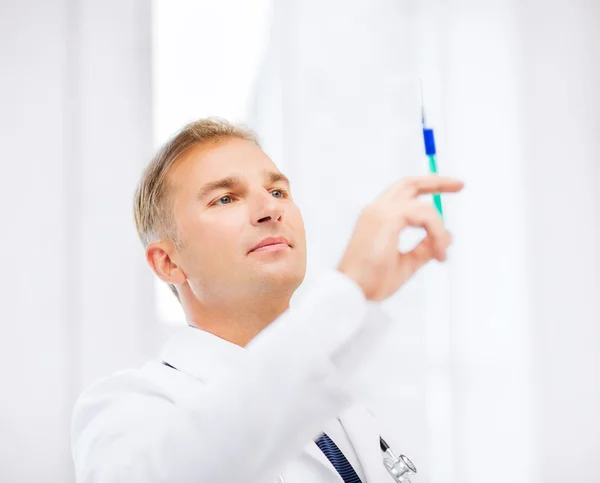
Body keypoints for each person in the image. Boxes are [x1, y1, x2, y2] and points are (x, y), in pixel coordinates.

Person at [71, 118, 463, 483]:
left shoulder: (352, 410)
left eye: (277, 191)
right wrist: (348, 290)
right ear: (169, 262)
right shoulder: (125, 411)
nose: (270, 209)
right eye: (225, 199)